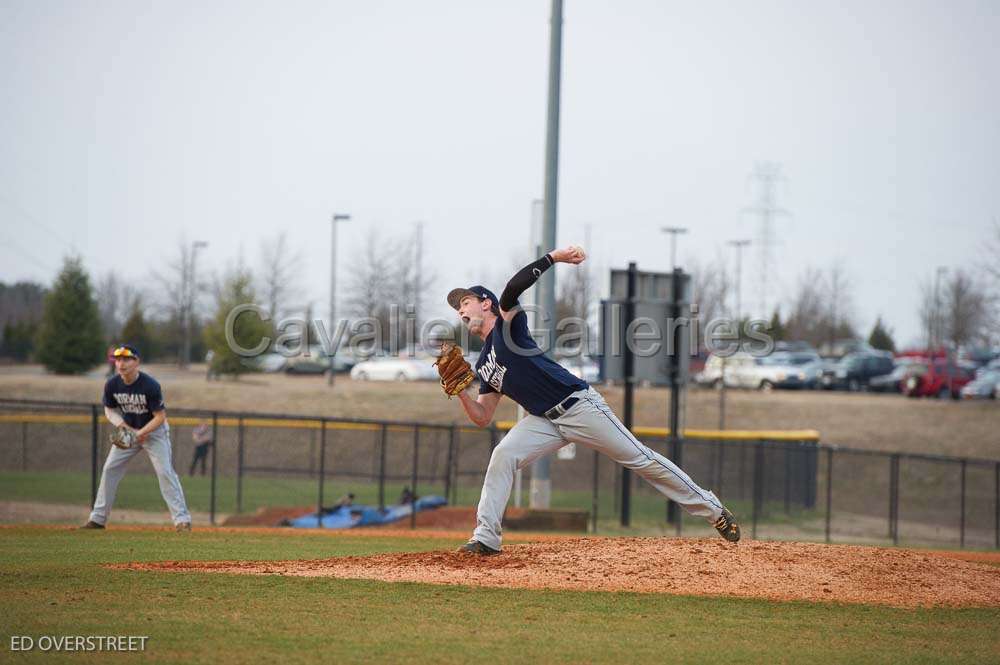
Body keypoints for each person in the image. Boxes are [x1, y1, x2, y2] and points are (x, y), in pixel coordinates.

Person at [445, 245, 741, 555]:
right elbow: (483, 416)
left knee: (640, 459)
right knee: (503, 455)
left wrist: (554, 257)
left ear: (486, 304)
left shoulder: (508, 325)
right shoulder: (483, 364)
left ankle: (713, 510)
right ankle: (486, 539)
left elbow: (513, 287)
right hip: (544, 421)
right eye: (458, 309)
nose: (461, 311)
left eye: (466, 302)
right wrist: (461, 393)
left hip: (578, 405)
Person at [80, 344, 192, 532]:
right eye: (118, 359)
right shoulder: (112, 384)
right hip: (129, 431)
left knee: (165, 472)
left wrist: (140, 434)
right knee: (110, 469)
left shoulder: (150, 385)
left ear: (137, 362)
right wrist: (124, 428)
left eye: (126, 359)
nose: (121, 363)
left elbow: (160, 417)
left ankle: (182, 520)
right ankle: (98, 519)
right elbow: (109, 410)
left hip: (155, 433)